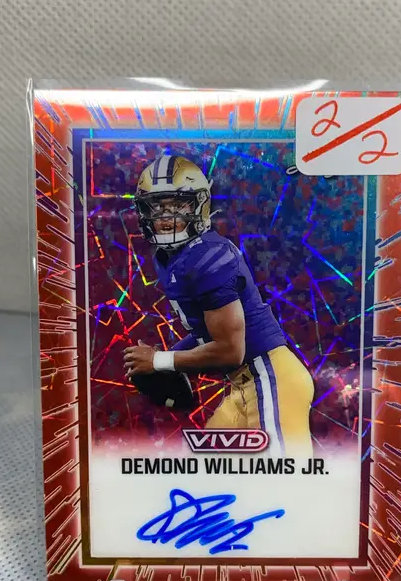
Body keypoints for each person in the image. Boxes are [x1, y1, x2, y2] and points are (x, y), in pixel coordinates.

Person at [123, 155, 313, 457]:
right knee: (207, 466)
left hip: (270, 377)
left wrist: (160, 361)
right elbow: (206, 332)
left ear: (199, 206)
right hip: (245, 384)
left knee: (283, 474)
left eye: (177, 205)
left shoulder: (210, 257)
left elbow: (230, 350)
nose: (165, 216)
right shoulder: (170, 258)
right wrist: (169, 359)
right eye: (157, 207)